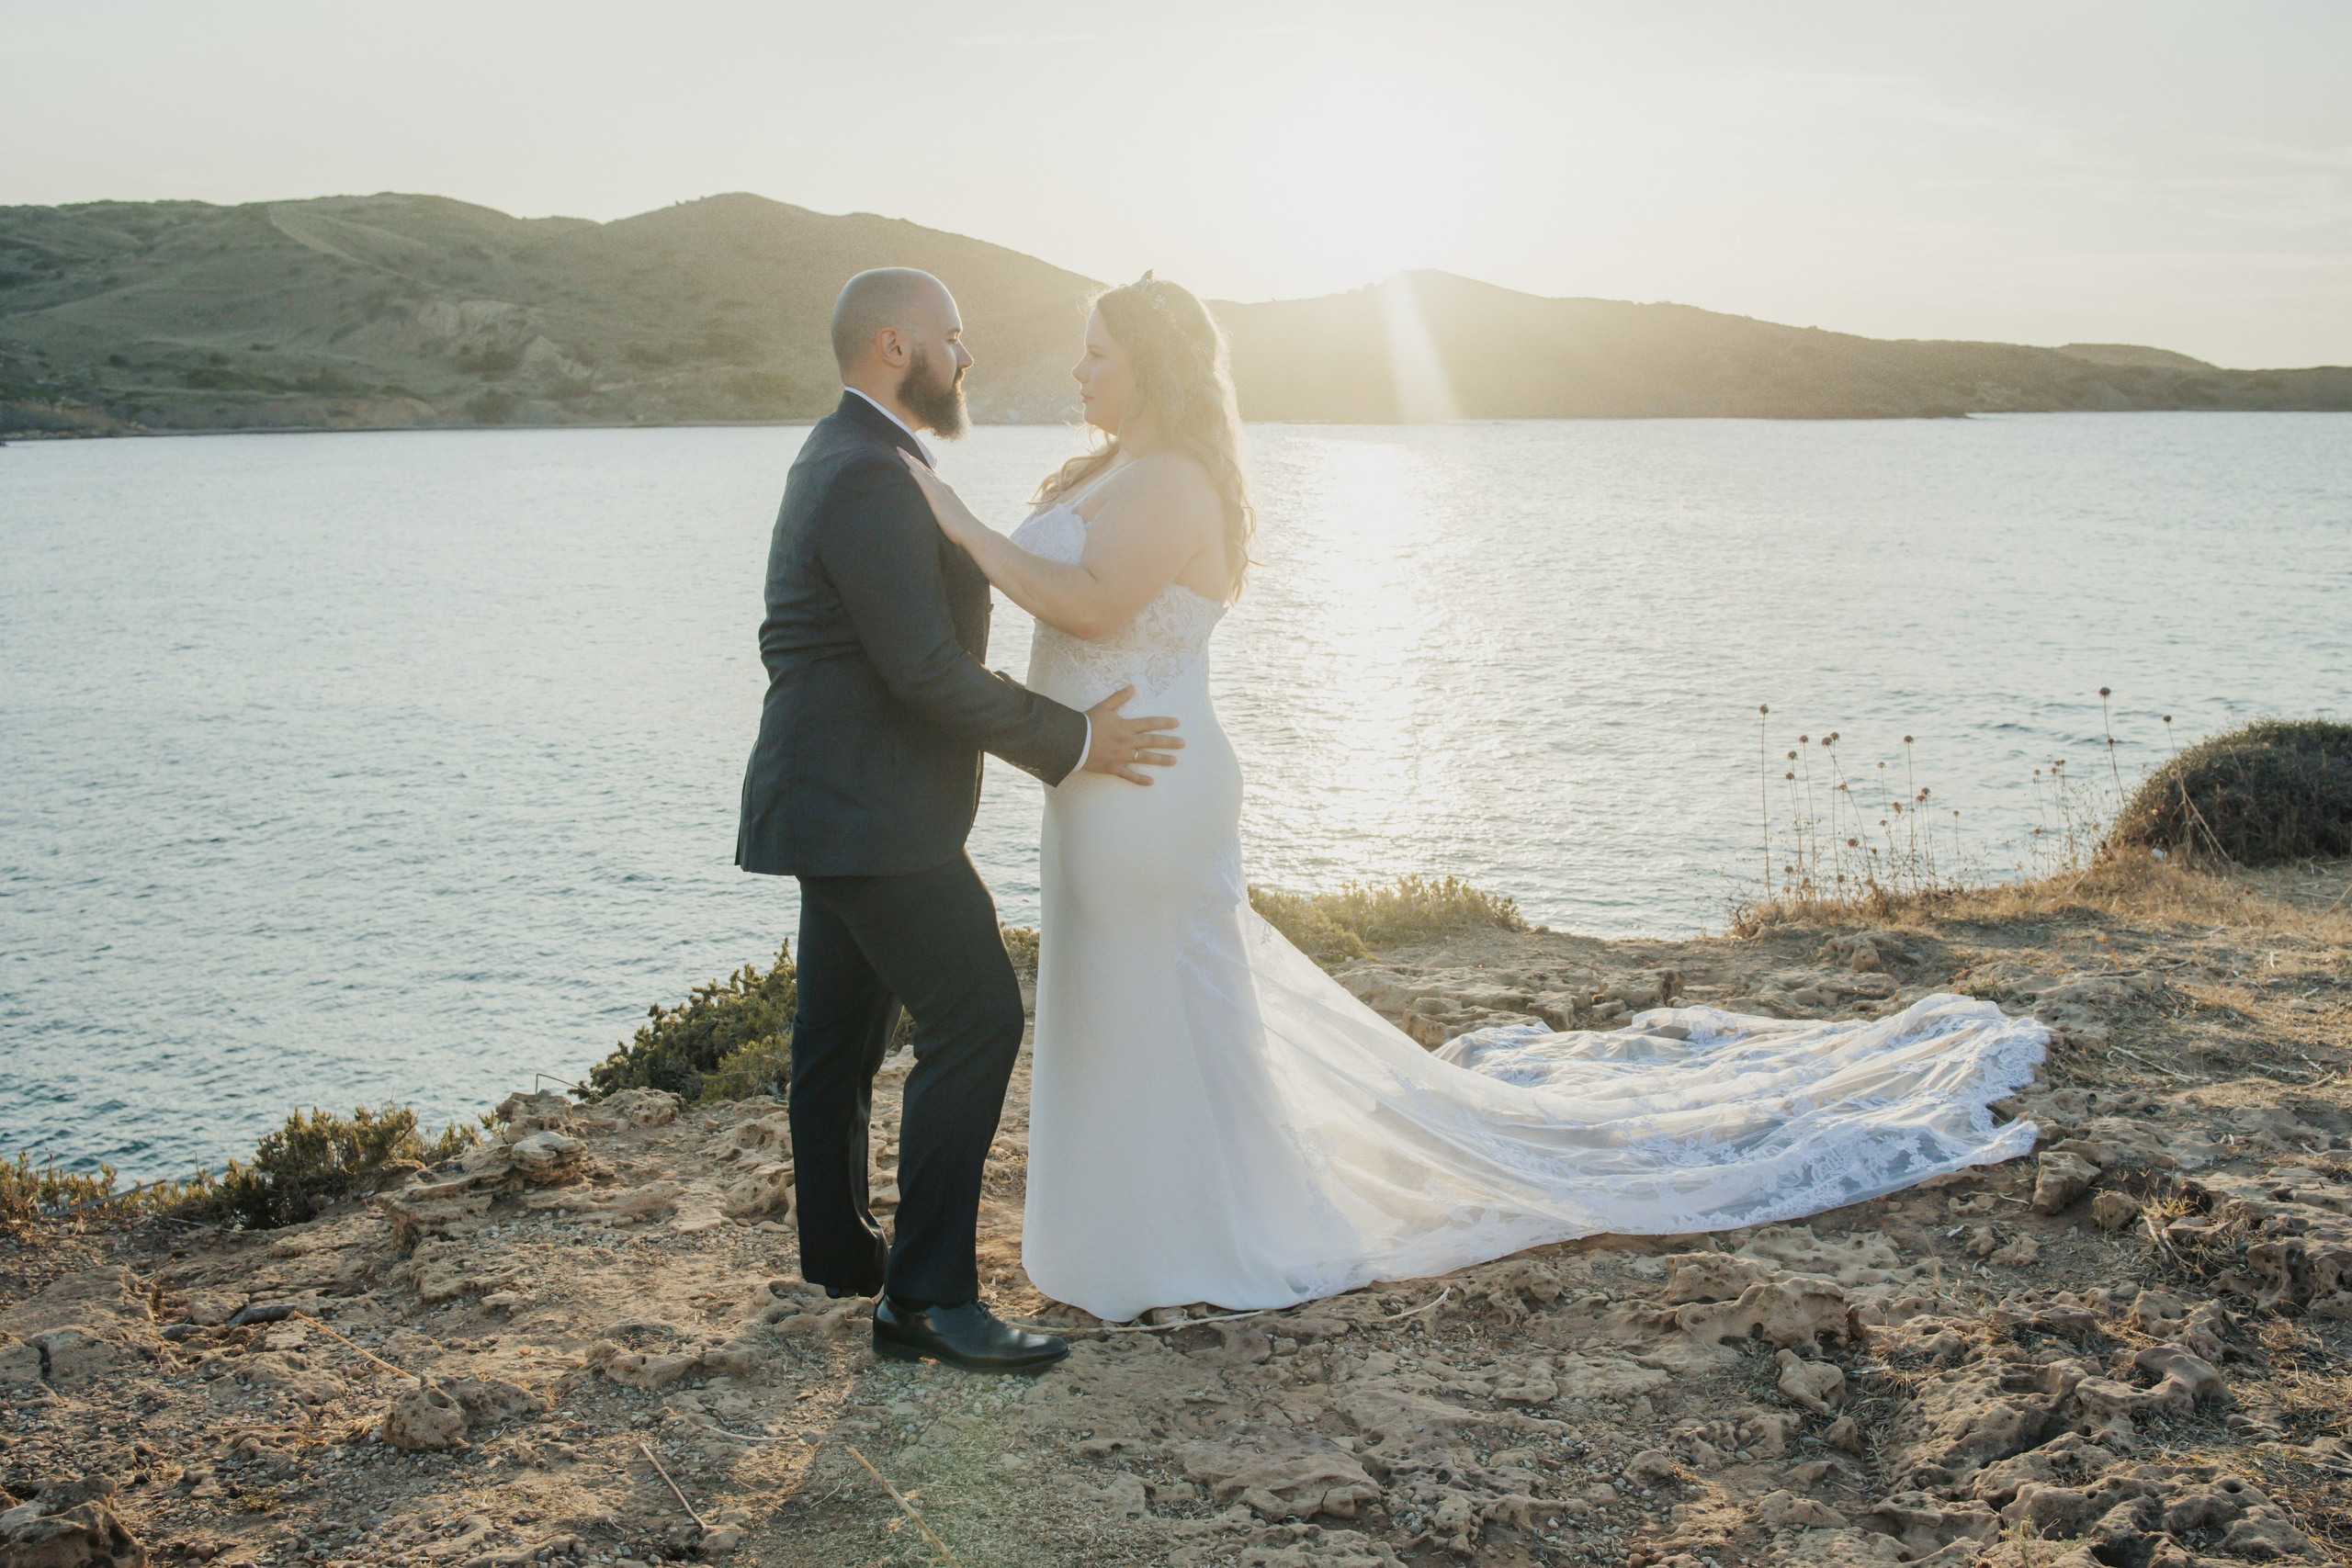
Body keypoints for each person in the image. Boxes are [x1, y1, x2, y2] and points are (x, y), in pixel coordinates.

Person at [893, 271, 2051, 1325]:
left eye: (1097, 350)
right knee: (1117, 992)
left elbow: (1092, 604)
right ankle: (1122, 1224)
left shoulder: (1177, 480)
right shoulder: (1104, 468)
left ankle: (1187, 1233)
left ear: (1152, 362)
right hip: (1092, 783)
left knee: (1162, 995)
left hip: (1148, 780)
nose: (1081, 369)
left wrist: (957, 521)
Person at [734, 268, 1183, 1371]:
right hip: (868, 808)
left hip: (838, 798)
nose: (964, 355)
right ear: (896, 345)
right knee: (977, 1017)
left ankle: (842, 1259)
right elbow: (923, 670)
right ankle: (925, 1300)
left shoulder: (849, 453)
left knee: (836, 1037)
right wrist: (1074, 742)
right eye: (952, 336)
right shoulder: (867, 471)